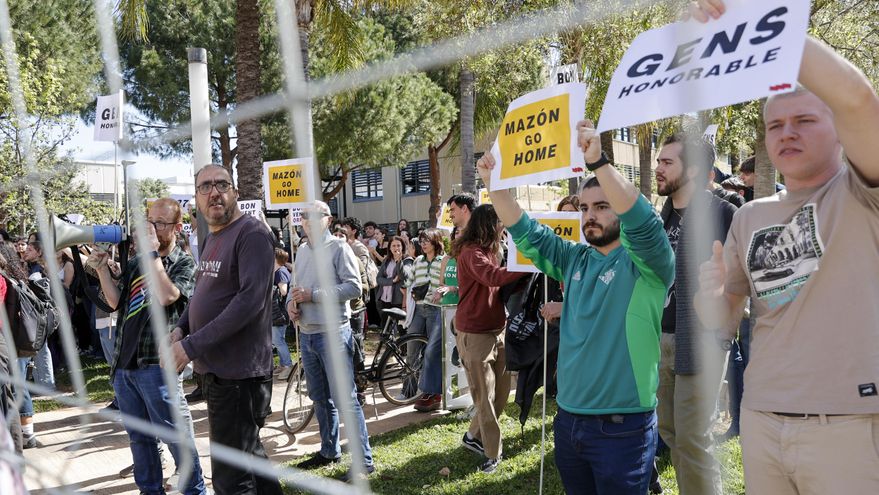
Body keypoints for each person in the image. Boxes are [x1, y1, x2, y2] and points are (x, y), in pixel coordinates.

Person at [692, 1, 879, 493]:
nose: (786, 132)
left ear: (839, 130)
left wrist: (759, 31)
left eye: (804, 120)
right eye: (775, 125)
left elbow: (859, 100)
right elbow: (725, 320)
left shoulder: (863, 192)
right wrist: (711, 294)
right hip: (762, 419)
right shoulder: (750, 215)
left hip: (851, 424)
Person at [478, 118, 674, 494]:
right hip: (568, 421)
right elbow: (525, 230)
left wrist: (599, 163)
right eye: (584, 208)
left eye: (602, 206)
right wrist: (494, 185)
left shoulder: (649, 264)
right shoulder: (575, 259)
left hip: (623, 427)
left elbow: (643, 221)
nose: (589, 215)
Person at [165, 164, 282, 495]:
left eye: (221, 184)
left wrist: (190, 347)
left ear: (235, 192)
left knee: (231, 478)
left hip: (240, 375)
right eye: (205, 187)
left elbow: (249, 302)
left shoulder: (252, 234)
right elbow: (203, 293)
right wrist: (181, 328)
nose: (214, 192)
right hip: (218, 371)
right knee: (251, 460)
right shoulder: (214, 237)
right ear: (197, 200)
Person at [89, 197, 206, 495]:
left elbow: (169, 297)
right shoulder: (137, 262)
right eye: (148, 222)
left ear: (177, 228)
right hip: (125, 365)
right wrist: (102, 270)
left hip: (158, 365)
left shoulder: (184, 263)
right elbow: (116, 302)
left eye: (159, 224)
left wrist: (152, 253)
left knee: (175, 436)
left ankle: (195, 490)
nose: (151, 228)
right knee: (140, 439)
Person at [654, 133, 737, 495]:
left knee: (692, 438)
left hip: (701, 341)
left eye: (667, 162)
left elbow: (740, 284)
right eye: (658, 161)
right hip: (661, 340)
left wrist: (723, 334)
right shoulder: (663, 216)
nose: (658, 168)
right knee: (672, 434)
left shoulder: (723, 214)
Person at [287, 201, 375, 479]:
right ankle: (329, 450)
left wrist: (313, 294)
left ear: (328, 219)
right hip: (308, 334)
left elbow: (353, 287)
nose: (307, 220)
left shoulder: (339, 247)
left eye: (314, 216)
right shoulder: (301, 250)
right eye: (303, 216)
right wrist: (291, 303)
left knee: (345, 399)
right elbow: (294, 287)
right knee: (319, 398)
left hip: (334, 332)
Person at [453, 206, 527, 473]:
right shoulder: (472, 252)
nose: (503, 227)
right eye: (500, 222)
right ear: (488, 224)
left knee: (501, 394)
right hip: (474, 335)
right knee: (484, 398)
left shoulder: (490, 251)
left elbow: (499, 285)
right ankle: (492, 454)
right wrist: (528, 266)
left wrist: (521, 274)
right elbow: (492, 277)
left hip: (497, 329)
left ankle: (472, 436)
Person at [407, 229, 446, 411]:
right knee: (411, 346)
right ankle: (409, 388)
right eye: (421, 241)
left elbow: (447, 282)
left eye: (426, 241)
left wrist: (441, 290)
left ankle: (434, 392)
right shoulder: (417, 261)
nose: (422, 244)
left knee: (432, 351)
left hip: (435, 309)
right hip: (419, 308)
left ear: (436, 242)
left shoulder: (443, 260)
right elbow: (409, 283)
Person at [375, 236, 411, 330]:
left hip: (398, 299)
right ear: (390, 248)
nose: (396, 248)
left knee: (401, 328)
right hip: (384, 299)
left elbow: (403, 275)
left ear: (403, 247)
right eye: (393, 246)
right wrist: (392, 281)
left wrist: (399, 261)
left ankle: (401, 345)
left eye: (398, 245)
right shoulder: (387, 260)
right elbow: (379, 279)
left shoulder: (407, 260)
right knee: (385, 328)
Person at [271, 248, 293, 380]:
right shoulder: (278, 271)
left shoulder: (281, 272)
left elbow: (283, 290)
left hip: (280, 312)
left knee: (278, 340)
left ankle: (288, 366)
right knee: (277, 339)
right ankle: (283, 364)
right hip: (277, 312)